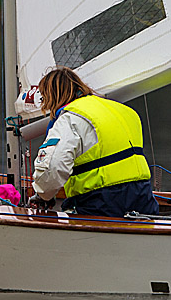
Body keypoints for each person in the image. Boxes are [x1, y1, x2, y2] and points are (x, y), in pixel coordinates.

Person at [30, 67, 159, 217]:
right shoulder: (125, 110)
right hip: (143, 196)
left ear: (51, 96)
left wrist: (43, 194)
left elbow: (52, 167)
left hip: (102, 201)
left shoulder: (71, 117)